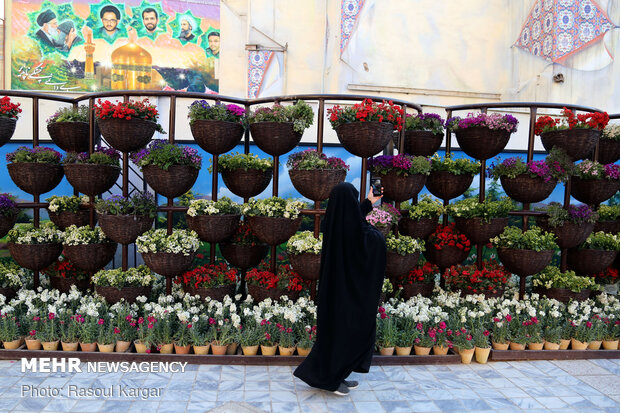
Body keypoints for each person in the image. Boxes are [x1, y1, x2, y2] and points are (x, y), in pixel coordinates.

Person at [293, 182, 386, 396]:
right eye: (353, 201)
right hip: (347, 296)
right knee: (347, 335)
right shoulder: (351, 230)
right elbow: (367, 240)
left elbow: (353, 222)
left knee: (337, 336)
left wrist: (368, 203)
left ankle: (335, 375)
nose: (354, 206)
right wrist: (377, 236)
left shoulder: (336, 222)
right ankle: (330, 379)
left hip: (336, 294)